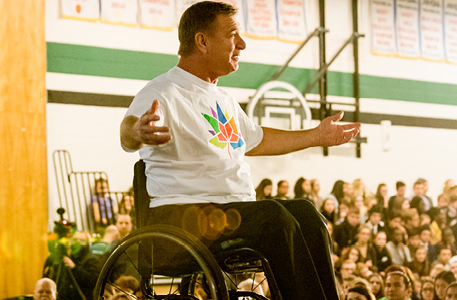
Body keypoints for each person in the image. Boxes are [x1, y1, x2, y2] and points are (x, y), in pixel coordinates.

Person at [119, 2, 360, 299]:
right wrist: (138, 132)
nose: (242, 44)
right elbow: (127, 132)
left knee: (307, 214)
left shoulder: (223, 98)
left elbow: (256, 141)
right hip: (184, 218)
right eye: (233, 35)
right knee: (274, 217)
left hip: (230, 216)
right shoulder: (162, 92)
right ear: (202, 41)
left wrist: (315, 136)